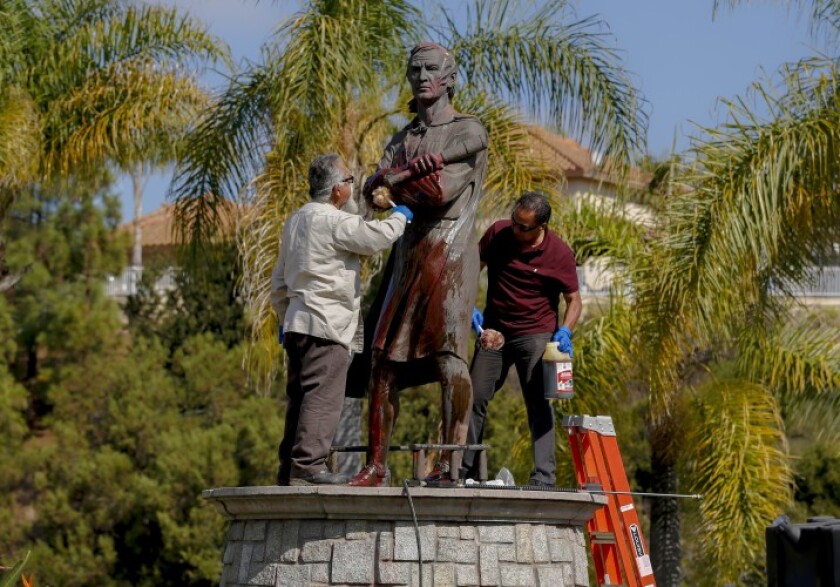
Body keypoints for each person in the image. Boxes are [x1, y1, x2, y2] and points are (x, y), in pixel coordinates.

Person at [348, 42, 489, 487]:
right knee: (382, 365)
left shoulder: (467, 131)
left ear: (449, 78)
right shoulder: (402, 139)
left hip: (449, 258)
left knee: (450, 362)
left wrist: (395, 182)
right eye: (415, 70)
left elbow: (438, 193)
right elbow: (372, 199)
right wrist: (387, 184)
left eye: (432, 69)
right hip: (407, 258)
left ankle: (450, 465)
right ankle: (376, 465)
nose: (423, 76)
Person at [270, 153, 412, 486]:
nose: (351, 186)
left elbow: (279, 280)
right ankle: (308, 466)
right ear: (337, 190)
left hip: (297, 324)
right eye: (349, 181)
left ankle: (287, 469)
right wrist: (401, 217)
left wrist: (282, 318)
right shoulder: (333, 221)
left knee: (300, 398)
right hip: (327, 325)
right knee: (323, 396)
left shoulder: (296, 221)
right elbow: (372, 238)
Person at [462, 192, 582, 486]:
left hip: (536, 334)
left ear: (542, 226)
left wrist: (565, 329)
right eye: (514, 221)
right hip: (494, 332)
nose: (515, 229)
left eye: (523, 227)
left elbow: (574, 299)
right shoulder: (498, 234)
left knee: (539, 403)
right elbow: (470, 270)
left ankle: (544, 476)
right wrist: (468, 305)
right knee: (473, 396)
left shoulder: (560, 254)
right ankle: (465, 470)